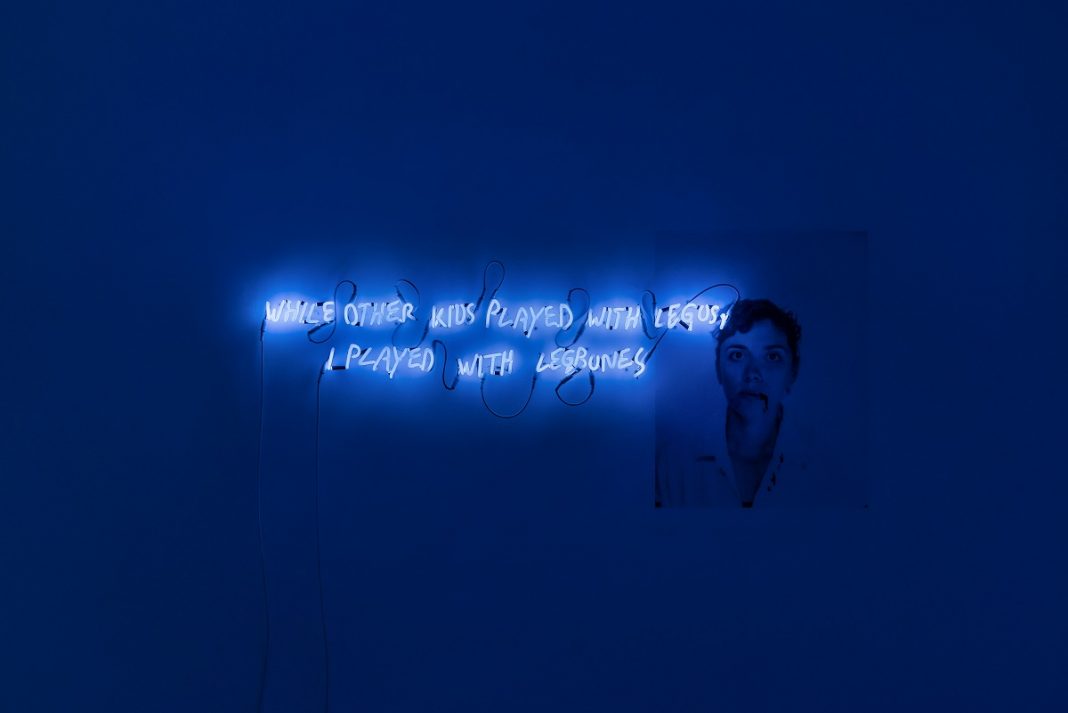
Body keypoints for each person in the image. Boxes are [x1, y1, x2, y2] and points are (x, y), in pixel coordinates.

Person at [655, 298, 827, 508]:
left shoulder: (825, 469)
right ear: (718, 368)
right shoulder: (674, 465)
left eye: (772, 357)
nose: (752, 374)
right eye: (737, 355)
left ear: (793, 372)